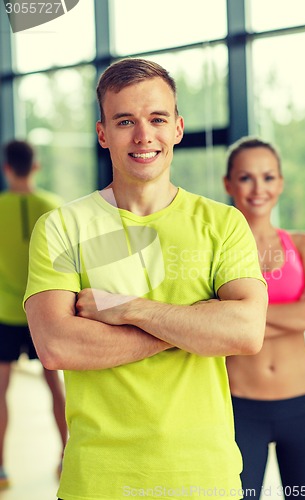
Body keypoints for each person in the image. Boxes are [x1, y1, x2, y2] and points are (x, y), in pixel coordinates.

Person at [24, 58, 267, 500]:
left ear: (177, 127)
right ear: (102, 134)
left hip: (205, 477)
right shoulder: (62, 227)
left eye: (157, 118)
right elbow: (57, 345)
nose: (143, 136)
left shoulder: (223, 223)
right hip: (98, 481)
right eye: (125, 121)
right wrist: (195, 326)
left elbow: (247, 332)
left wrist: (128, 309)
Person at [223, 136, 305, 499]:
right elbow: (211, 326)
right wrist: (293, 315)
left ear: (281, 183)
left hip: (304, 407)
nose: (259, 189)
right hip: (238, 408)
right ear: (228, 183)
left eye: (268, 177)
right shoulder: (214, 251)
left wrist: (240, 319)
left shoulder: (302, 245)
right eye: (246, 177)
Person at [0, 140, 68, 489]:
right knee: (55, 386)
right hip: (43, 313)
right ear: (36, 166)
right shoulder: (53, 207)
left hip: (5, 315)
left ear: (7, 168)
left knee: (0, 391)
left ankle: (0, 470)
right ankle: (66, 458)